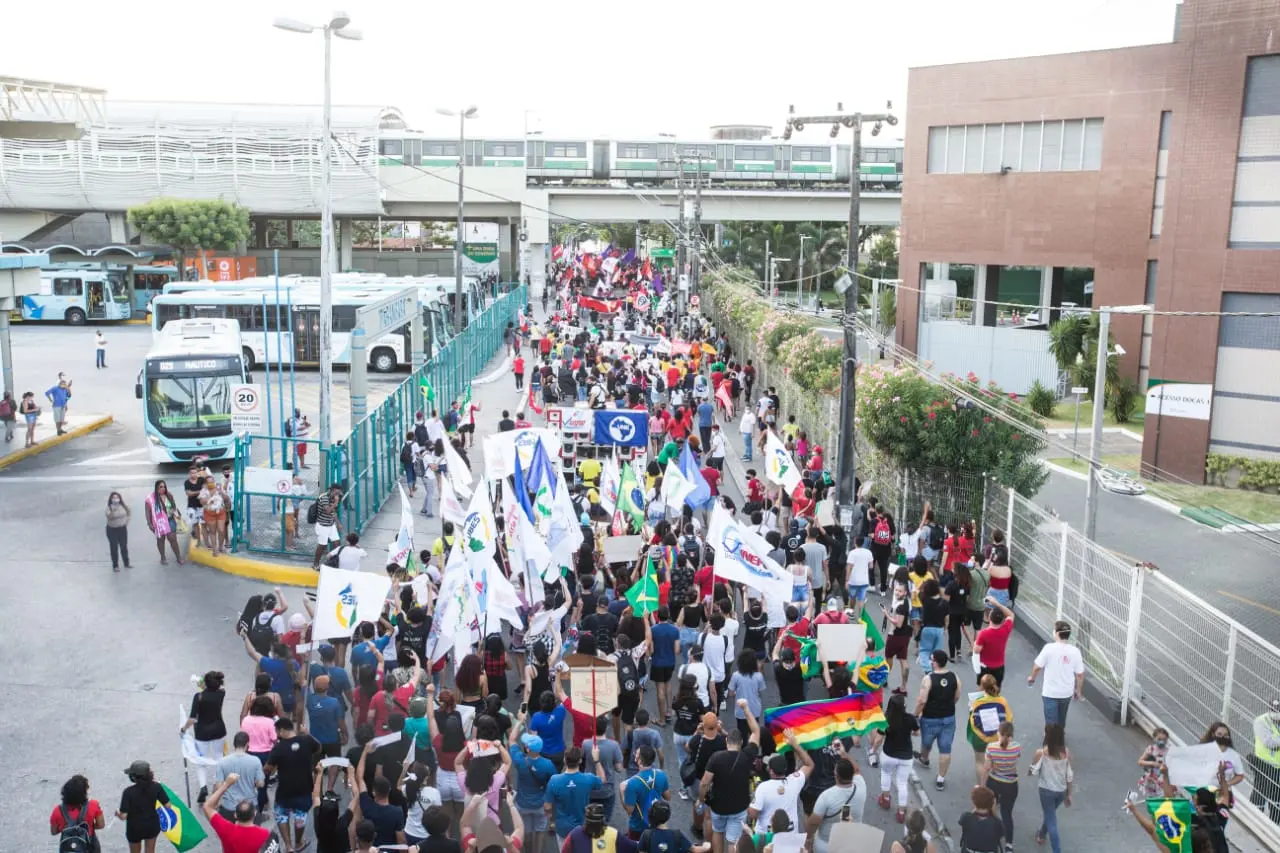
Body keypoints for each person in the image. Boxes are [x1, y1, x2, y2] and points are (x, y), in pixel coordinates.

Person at [701, 700, 762, 852]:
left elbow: (704, 783)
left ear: (726, 740)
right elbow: (756, 731)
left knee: (718, 832)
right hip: (739, 806)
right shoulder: (747, 755)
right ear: (741, 742)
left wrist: (702, 799)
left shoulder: (716, 758)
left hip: (718, 805)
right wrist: (746, 708)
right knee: (733, 841)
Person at [265, 718, 319, 853]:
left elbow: (267, 769)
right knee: (301, 815)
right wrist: (307, 734)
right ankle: (299, 842)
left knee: (281, 814)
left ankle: (288, 846)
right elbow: (319, 748)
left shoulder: (279, 747)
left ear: (282, 730)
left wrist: (274, 766)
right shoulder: (306, 740)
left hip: (285, 790)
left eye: (277, 732)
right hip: (304, 787)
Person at [748, 731, 812, 831]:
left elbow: (752, 814)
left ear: (771, 771)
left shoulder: (763, 788)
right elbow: (809, 765)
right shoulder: (794, 782)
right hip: (790, 838)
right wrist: (795, 745)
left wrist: (750, 800)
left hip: (767, 839)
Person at [915, 649, 960, 791]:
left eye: (931, 659)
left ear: (935, 663)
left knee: (927, 742)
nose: (930, 662)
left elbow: (922, 700)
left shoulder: (928, 679)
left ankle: (924, 758)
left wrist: (915, 715)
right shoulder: (954, 677)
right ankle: (941, 778)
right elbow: (957, 696)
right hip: (948, 718)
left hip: (930, 718)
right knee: (945, 748)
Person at [180, 670, 228, 802]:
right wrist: (203, 682)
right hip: (219, 730)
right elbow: (220, 686)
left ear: (205, 684)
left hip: (202, 733)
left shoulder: (199, 697)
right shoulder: (221, 693)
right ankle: (219, 784)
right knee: (219, 757)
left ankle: (203, 787)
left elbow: (192, 719)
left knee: (201, 761)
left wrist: (183, 729)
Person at [1027, 620, 1084, 729]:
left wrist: (1032, 678)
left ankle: (1051, 742)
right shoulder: (1075, 651)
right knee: (1061, 719)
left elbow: (1037, 667)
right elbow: (1080, 674)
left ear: (1057, 633)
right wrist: (1078, 691)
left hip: (1050, 692)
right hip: (1066, 692)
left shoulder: (1048, 648)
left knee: (1051, 722)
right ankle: (1060, 738)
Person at [545, 744, 605, 846]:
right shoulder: (588, 779)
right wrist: (597, 761)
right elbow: (602, 780)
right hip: (583, 827)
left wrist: (551, 821)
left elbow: (547, 807)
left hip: (562, 828)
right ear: (580, 761)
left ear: (565, 760)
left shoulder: (554, 780)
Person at [806, 752, 866, 853]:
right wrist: (844, 753)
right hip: (853, 841)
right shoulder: (861, 786)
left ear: (836, 775)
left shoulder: (826, 797)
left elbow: (813, 823)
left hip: (827, 845)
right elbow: (857, 770)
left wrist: (808, 838)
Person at [202, 772, 270, 853]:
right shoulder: (265, 835)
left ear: (235, 815)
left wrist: (226, 784)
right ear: (254, 814)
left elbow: (207, 806)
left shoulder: (226, 830)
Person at [1032, 723, 1073, 853]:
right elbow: (1069, 775)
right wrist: (1069, 794)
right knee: (1050, 814)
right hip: (1061, 791)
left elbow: (1032, 768)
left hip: (1046, 790)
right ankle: (1042, 834)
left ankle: (1057, 850)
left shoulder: (1041, 753)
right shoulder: (1066, 753)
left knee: (1052, 820)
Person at [878, 692, 919, 822]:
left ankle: (885, 799)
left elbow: (879, 737)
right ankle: (901, 812)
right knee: (902, 783)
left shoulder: (886, 720)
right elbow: (917, 733)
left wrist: (873, 749)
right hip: (905, 756)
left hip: (888, 753)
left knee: (886, 774)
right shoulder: (910, 719)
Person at [117, 760, 169, 853]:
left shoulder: (128, 792)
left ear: (133, 777)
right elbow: (168, 806)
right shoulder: (156, 787)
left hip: (134, 828)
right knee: (150, 851)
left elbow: (123, 816)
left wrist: (117, 813)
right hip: (152, 825)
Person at [983, 721, 1020, 848]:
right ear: (1011, 735)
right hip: (1010, 784)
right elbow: (1017, 757)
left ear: (998, 733)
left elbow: (987, 767)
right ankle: (1009, 844)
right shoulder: (1016, 747)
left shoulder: (991, 747)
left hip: (994, 782)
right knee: (1007, 813)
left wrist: (982, 785)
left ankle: (992, 836)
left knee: (990, 810)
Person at [622, 744, 670, 840]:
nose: (635, 754)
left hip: (638, 826)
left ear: (639, 760)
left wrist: (622, 792)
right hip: (658, 824)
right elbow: (668, 797)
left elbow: (629, 810)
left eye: (637, 754)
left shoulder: (631, 783)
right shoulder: (661, 774)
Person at [50, 774, 105, 853]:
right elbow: (101, 825)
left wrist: (66, 828)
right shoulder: (93, 805)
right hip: (90, 846)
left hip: (68, 847)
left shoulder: (57, 810)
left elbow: (53, 832)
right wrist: (87, 827)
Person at [1250, 698, 1280, 822]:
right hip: (1264, 764)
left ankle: (1275, 823)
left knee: (1276, 797)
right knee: (1260, 793)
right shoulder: (1261, 721)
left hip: (1278, 767)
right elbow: (1269, 742)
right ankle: (1255, 819)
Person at [974, 596, 1014, 687]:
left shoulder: (984, 633)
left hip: (985, 666)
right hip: (999, 666)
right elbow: (1011, 615)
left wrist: (975, 643)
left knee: (982, 689)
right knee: (996, 688)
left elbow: (977, 650)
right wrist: (997, 604)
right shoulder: (1006, 628)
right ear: (1001, 620)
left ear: (989, 618)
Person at [145, 480, 184, 565]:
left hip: (170, 520)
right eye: (161, 487)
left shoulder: (169, 495)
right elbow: (147, 511)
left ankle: (178, 557)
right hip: (159, 522)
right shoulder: (151, 498)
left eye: (164, 486)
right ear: (156, 488)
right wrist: (149, 523)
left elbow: (174, 507)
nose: (163, 488)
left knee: (173, 539)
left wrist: (177, 514)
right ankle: (163, 557)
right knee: (161, 539)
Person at [958, 786, 1005, 853]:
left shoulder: (966, 817)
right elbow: (1000, 835)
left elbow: (967, 819)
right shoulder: (996, 823)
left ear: (974, 802)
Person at [310, 484, 344, 570]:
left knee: (337, 543)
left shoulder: (335, 498)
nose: (339, 494)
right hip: (322, 525)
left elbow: (333, 513)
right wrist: (335, 503)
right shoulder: (324, 497)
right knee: (322, 545)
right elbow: (328, 510)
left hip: (331, 524)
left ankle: (333, 562)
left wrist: (338, 523)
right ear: (333, 490)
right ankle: (315, 563)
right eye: (337, 492)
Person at [106, 490, 131, 571]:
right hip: (112, 529)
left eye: (117, 497)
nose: (116, 499)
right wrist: (114, 509)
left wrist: (126, 521)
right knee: (114, 547)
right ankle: (115, 565)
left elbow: (128, 512)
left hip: (122, 529)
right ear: (111, 499)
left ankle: (126, 563)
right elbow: (110, 517)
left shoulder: (123, 506)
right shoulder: (109, 508)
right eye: (114, 498)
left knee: (124, 546)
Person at [45, 372, 72, 436]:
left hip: (63, 406)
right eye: (63, 384)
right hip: (56, 406)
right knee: (57, 419)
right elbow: (47, 393)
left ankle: (60, 429)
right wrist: (51, 400)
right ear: (60, 384)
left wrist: (65, 405)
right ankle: (58, 431)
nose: (64, 385)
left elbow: (68, 396)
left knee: (61, 420)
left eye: (64, 384)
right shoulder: (55, 388)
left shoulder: (65, 389)